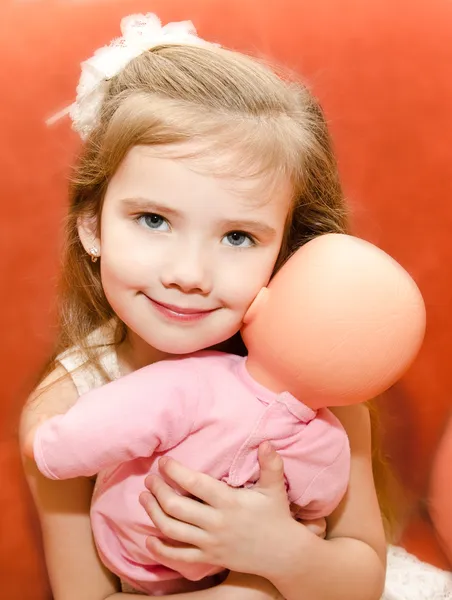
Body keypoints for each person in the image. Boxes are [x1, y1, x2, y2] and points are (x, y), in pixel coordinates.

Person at [21, 12, 447, 600]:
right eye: (153, 220)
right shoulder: (68, 409)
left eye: (238, 237)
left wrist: (281, 555)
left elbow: (360, 579)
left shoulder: (305, 374)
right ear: (92, 226)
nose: (189, 275)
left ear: (286, 255)